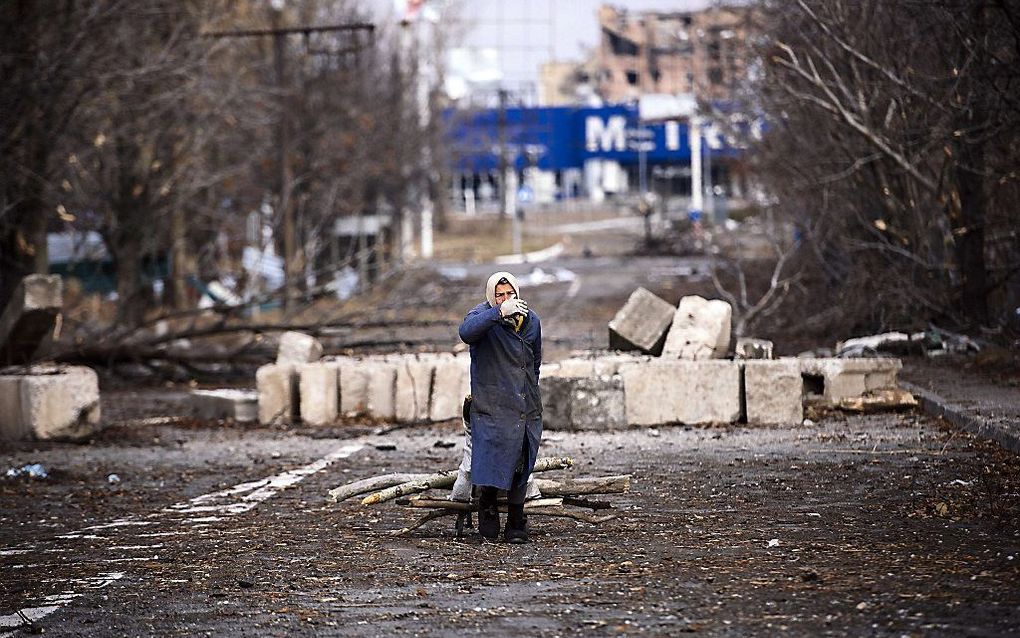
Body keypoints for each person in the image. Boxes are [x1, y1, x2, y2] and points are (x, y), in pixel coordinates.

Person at [458, 271, 542, 543]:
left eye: (510, 295)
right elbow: (466, 333)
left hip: (524, 404)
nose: (506, 300)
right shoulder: (481, 318)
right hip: (491, 404)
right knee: (490, 457)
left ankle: (517, 519)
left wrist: (528, 391)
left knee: (521, 459)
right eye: (500, 295)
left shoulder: (531, 321)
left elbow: (535, 361)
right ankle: (488, 508)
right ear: (491, 296)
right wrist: (497, 313)